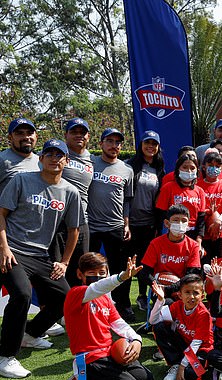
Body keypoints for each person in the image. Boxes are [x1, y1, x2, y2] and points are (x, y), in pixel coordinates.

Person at [0, 139, 82, 378]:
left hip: (41, 255)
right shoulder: (22, 180)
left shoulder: (70, 191)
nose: (54, 158)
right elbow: (1, 214)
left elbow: (74, 230)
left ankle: (31, 333)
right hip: (13, 250)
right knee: (23, 294)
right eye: (49, 154)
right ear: (40, 158)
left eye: (60, 155)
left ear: (67, 161)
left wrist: (64, 262)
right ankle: (6, 356)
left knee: (65, 298)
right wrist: (3, 249)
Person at [62, 254, 153, 380]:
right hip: (91, 359)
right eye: (92, 273)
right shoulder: (76, 294)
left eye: (102, 273)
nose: (98, 277)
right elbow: (96, 288)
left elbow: (119, 323)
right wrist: (122, 277)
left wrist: (137, 340)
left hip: (110, 353)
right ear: (80, 274)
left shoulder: (105, 299)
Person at [87, 128, 134, 321]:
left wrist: (126, 224)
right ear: (101, 144)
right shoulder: (89, 163)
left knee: (120, 269)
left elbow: (127, 200)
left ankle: (123, 304)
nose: (114, 145)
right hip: (90, 226)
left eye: (117, 142)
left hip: (115, 226)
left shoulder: (126, 169)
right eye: (110, 141)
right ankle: (89, 304)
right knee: (89, 268)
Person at [124, 130, 165, 309]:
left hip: (148, 224)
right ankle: (123, 302)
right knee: (127, 264)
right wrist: (125, 222)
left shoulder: (159, 169)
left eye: (154, 144)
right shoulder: (129, 166)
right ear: (141, 146)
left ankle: (142, 296)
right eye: (147, 143)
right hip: (130, 224)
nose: (150, 147)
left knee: (145, 263)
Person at [150, 274, 213, 380]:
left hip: (200, 349)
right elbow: (153, 321)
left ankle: (183, 365)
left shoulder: (203, 314)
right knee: (159, 327)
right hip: (184, 346)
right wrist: (160, 300)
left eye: (196, 293)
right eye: (187, 292)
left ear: (202, 296)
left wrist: (183, 367)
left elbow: (196, 343)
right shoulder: (177, 306)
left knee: (191, 376)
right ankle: (175, 363)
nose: (191, 297)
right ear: (180, 295)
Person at [137, 204, 201, 308]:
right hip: (159, 287)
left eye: (184, 221)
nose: (180, 224)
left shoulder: (193, 245)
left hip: (184, 288)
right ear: (167, 223)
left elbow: (192, 275)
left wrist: (170, 289)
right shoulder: (156, 243)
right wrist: (157, 286)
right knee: (168, 305)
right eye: (176, 220)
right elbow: (144, 272)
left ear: (188, 224)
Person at [58, 118, 93, 288]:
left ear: (88, 136)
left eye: (83, 132)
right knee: (57, 270)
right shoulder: (57, 155)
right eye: (74, 132)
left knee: (82, 271)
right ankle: (58, 312)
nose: (79, 135)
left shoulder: (93, 159)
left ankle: (79, 311)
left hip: (81, 222)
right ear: (66, 135)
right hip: (58, 223)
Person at [156, 154, 207, 251]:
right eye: (184, 167)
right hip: (171, 233)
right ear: (178, 169)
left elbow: (201, 219)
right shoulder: (168, 188)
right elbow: (160, 215)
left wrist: (199, 241)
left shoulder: (200, 191)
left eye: (192, 168)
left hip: (192, 235)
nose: (188, 171)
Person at [197, 152, 222, 262]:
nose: (214, 168)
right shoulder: (197, 185)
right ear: (204, 166)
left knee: (218, 262)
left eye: (217, 166)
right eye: (211, 165)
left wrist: (219, 221)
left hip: (220, 232)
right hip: (202, 231)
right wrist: (208, 212)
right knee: (203, 262)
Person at [0, 118, 40, 194]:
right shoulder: (2, 160)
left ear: (36, 137)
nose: (26, 137)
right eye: (20, 133)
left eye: (30, 133)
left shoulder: (42, 161)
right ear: (10, 138)